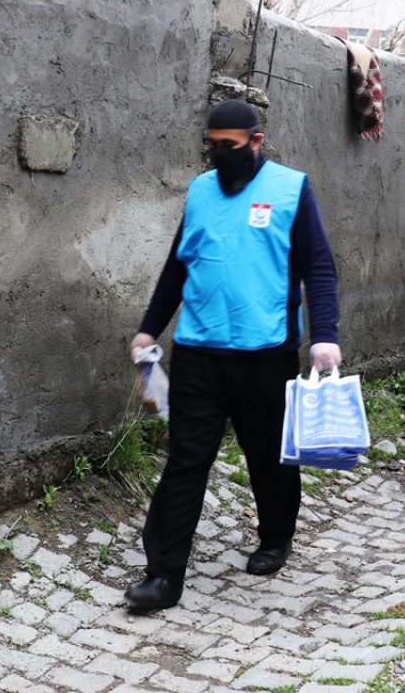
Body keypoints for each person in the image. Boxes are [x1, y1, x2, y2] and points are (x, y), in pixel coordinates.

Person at [123, 99, 341, 613]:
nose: (221, 155)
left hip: (266, 351)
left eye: (231, 147)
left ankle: (275, 536)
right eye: (213, 146)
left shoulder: (291, 188)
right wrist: (148, 328)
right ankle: (164, 575)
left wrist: (324, 334)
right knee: (185, 461)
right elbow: (178, 267)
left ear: (256, 142)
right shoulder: (199, 191)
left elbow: (319, 267)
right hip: (198, 349)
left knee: (268, 454)